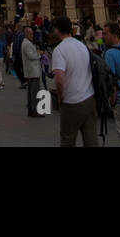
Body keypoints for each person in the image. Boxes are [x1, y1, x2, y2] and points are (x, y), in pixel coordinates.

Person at [52, 16, 97, 147]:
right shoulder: (81, 45)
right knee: (91, 139)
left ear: (57, 30)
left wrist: (60, 97)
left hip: (72, 101)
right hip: (89, 98)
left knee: (68, 139)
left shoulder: (59, 50)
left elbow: (59, 80)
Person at [21, 27, 42, 116]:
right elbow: (31, 56)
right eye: (31, 34)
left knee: (31, 92)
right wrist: (39, 54)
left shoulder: (27, 43)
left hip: (31, 71)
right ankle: (35, 110)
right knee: (34, 92)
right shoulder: (27, 44)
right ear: (26, 34)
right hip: (33, 71)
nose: (32, 35)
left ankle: (31, 109)